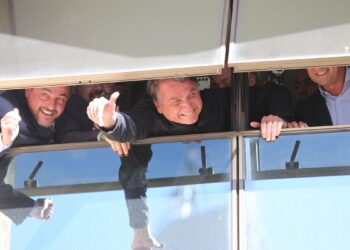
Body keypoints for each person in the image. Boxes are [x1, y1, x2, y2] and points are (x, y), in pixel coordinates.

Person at [55, 82, 162, 250]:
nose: (102, 90)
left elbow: (134, 172)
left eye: (109, 85)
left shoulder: (135, 102)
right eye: (94, 85)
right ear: (77, 87)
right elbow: (66, 139)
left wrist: (140, 230)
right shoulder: (72, 105)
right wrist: (102, 135)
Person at [0, 86, 70, 224]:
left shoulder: (71, 114)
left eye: (61, 99)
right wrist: (3, 140)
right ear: (27, 91)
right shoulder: (5, 113)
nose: (51, 106)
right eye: (45, 95)